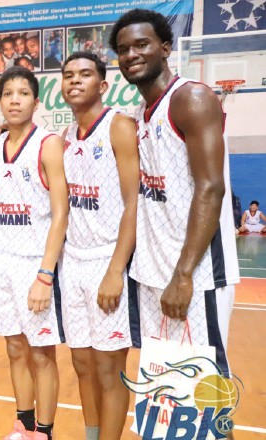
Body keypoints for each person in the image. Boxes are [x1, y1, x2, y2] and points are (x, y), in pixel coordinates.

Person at [111, 2, 240, 387]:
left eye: (142, 44)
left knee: (204, 393)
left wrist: (183, 275)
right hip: (153, 274)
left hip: (194, 277)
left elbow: (211, 188)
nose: (132, 54)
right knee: (169, 393)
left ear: (166, 47)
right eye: (123, 49)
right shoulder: (140, 112)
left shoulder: (191, 99)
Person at [60, 52, 140, 440]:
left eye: (85, 74)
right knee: (81, 364)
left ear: (103, 85)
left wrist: (115, 271)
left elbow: (133, 203)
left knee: (110, 369)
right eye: (69, 75)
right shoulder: (62, 139)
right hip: (71, 264)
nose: (75, 80)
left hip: (106, 263)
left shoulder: (118, 126)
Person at [0, 66, 67, 440]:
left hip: (35, 264)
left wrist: (45, 274)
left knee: (41, 354)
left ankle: (46, 432)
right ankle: (24, 425)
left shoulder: (48, 143)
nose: (15, 99)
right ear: (0, 100)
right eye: (8, 93)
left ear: (36, 101)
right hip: (2, 260)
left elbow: (60, 213)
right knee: (15, 348)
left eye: (23, 93)